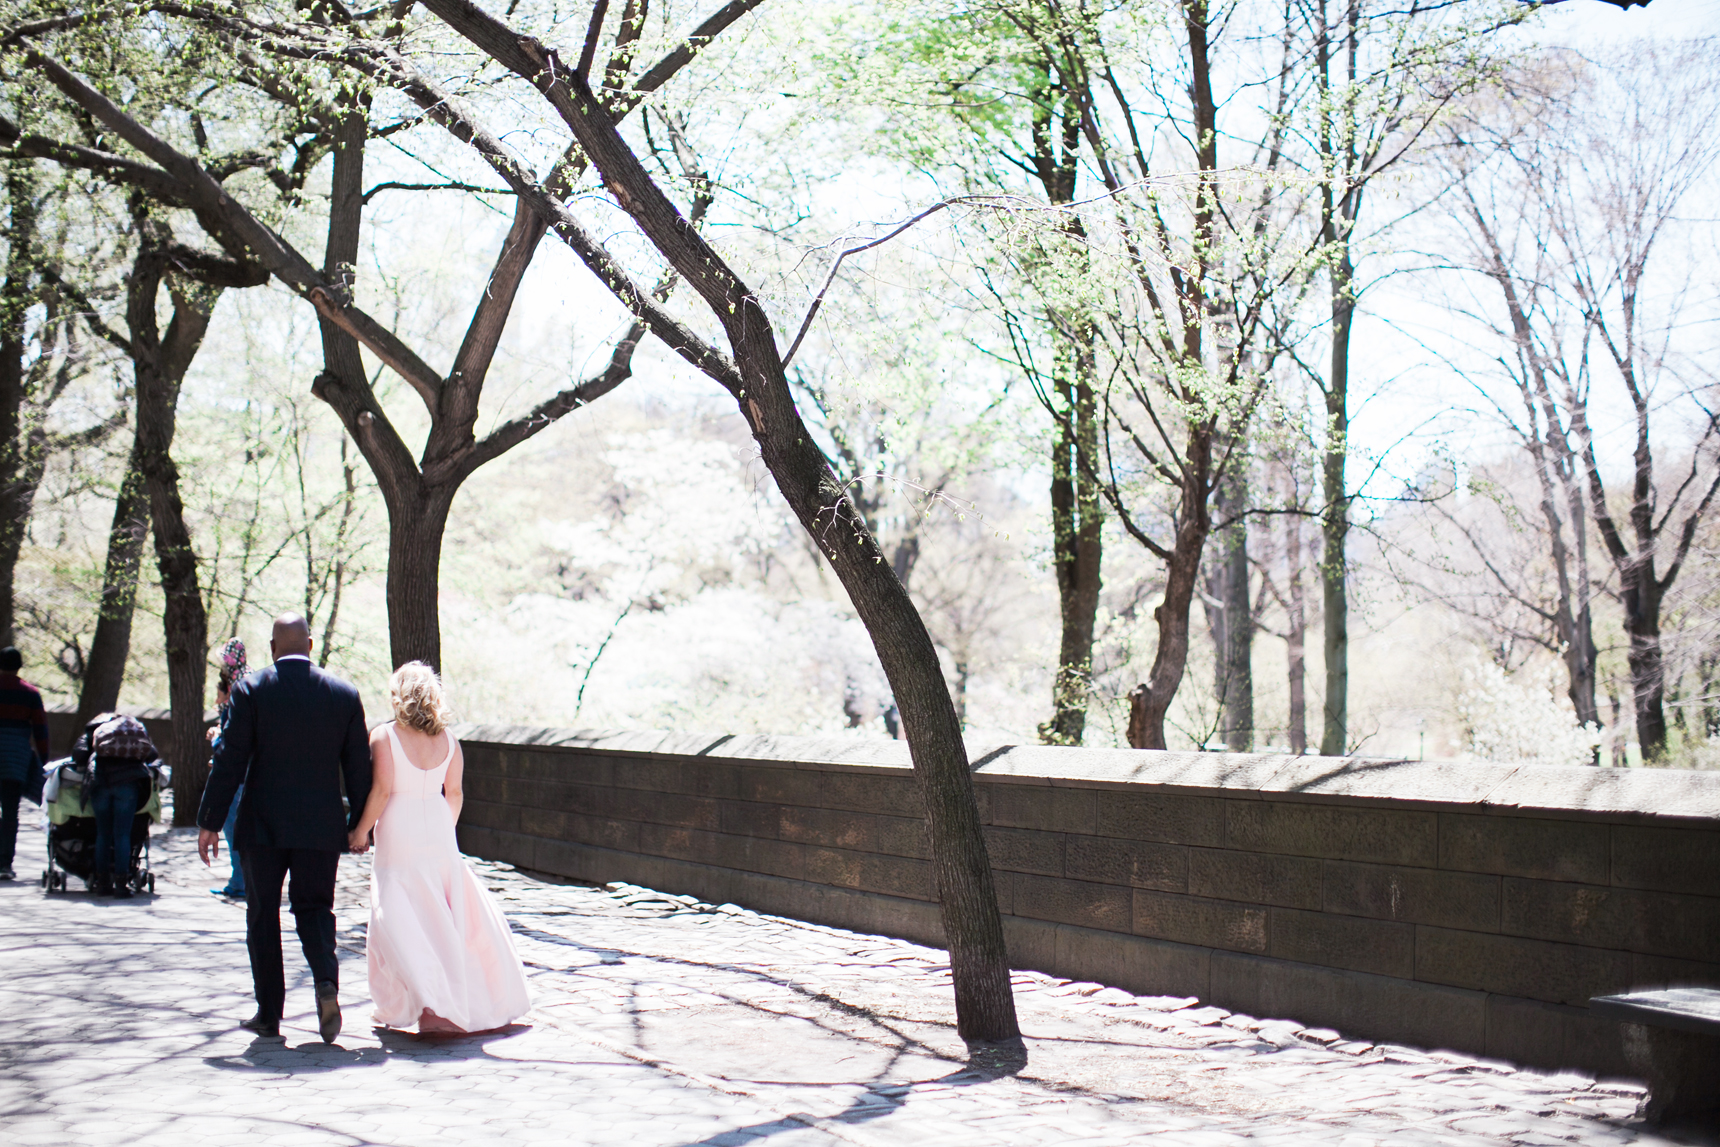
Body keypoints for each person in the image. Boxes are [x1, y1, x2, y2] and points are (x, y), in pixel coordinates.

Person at [197, 614, 371, 1043]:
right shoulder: (344, 694)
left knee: (262, 915)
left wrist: (210, 822)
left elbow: (231, 760)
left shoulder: (252, 689)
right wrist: (361, 826)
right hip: (320, 826)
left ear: (273, 648)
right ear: (310, 645)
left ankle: (269, 1014)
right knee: (315, 909)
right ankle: (326, 984)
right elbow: (358, 769)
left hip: (263, 825)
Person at [347, 662, 530, 1034]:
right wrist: (444, 830)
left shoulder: (384, 736)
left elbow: (381, 790)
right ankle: (457, 995)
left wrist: (361, 831)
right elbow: (456, 793)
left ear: (399, 696)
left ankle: (425, 995)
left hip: (400, 826)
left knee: (397, 911)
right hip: (439, 825)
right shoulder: (449, 740)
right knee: (445, 913)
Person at [71, 713, 159, 898]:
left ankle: (102, 883)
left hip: (101, 782)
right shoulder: (134, 729)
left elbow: (78, 755)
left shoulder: (95, 730)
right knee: (122, 835)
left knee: (103, 833)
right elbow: (152, 754)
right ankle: (121, 884)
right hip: (128, 785)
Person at [0, 647, 49, 882]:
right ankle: (4, 864)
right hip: (16, 761)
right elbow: (41, 729)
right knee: (10, 813)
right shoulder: (30, 694)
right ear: (19, 666)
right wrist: (43, 760)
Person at [207, 639, 249, 900]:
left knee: (234, 828)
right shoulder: (250, 682)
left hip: (238, 774)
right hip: (244, 771)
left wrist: (215, 738)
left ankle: (239, 883)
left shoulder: (240, 688)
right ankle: (241, 880)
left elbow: (234, 739)